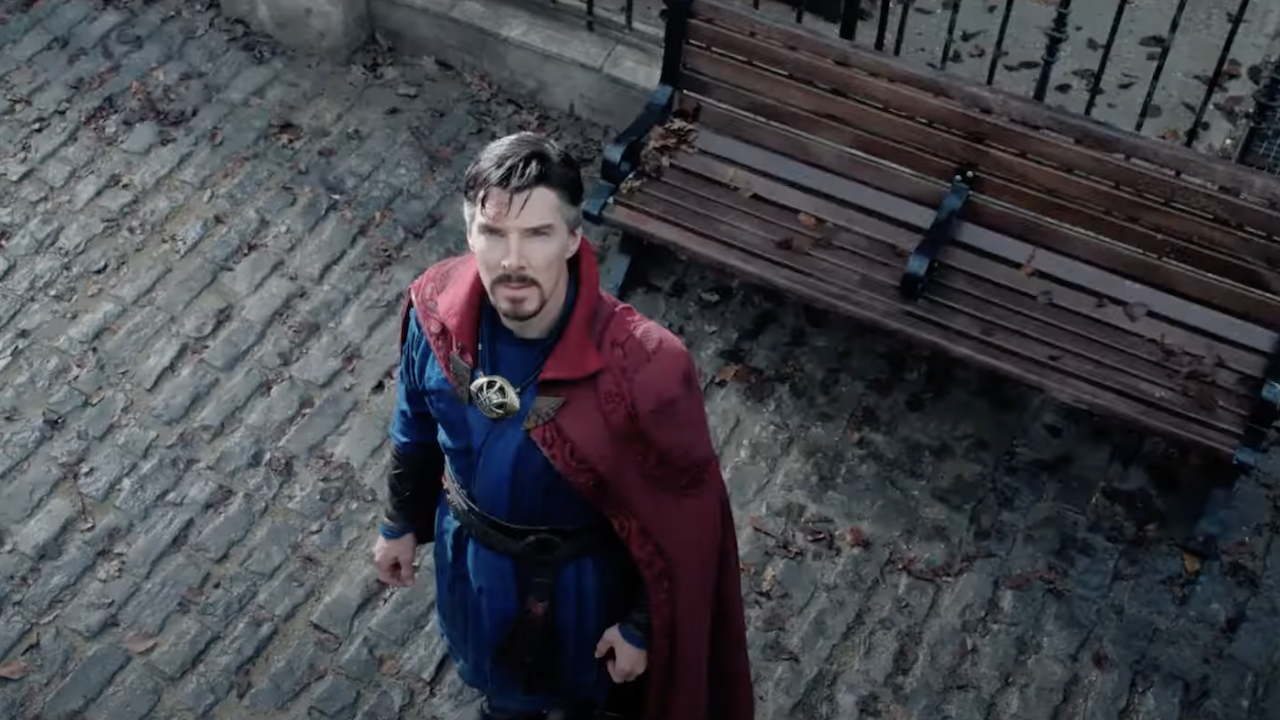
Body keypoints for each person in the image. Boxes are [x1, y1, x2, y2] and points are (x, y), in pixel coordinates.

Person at [370, 132, 754, 720]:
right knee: (497, 689)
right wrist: (400, 520)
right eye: (493, 233)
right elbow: (414, 424)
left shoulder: (647, 366)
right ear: (469, 233)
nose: (513, 260)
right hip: (470, 562)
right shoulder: (434, 311)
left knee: (584, 699)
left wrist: (641, 626)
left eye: (537, 234)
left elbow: (684, 521)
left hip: (581, 589)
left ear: (573, 238)